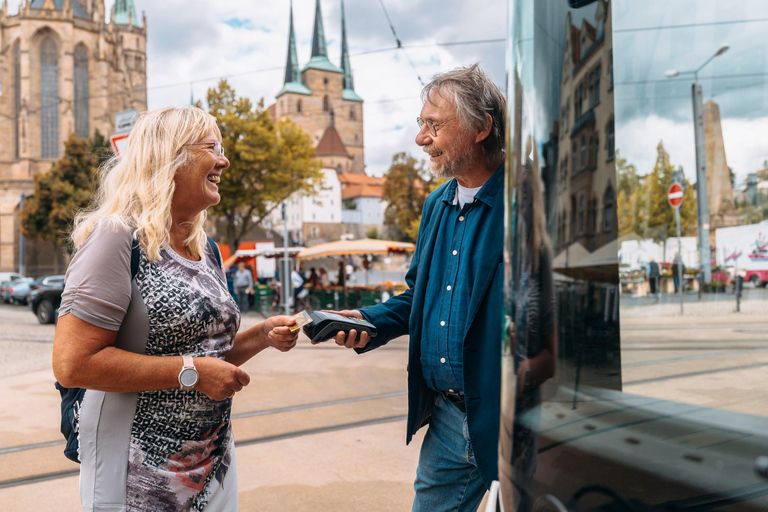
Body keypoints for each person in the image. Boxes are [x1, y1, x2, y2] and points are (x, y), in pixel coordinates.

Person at [52, 107, 299, 512]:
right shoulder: (116, 238)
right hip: (137, 474)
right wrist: (193, 373)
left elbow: (206, 356)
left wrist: (261, 335)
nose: (224, 159)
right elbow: (72, 363)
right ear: (170, 157)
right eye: (212, 147)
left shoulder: (208, 251)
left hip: (211, 464)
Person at [328, 64, 506, 511]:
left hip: (507, 417)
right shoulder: (436, 205)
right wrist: (368, 320)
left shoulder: (522, 200)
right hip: (447, 418)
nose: (421, 138)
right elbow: (418, 299)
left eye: (434, 125)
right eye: (420, 124)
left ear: (482, 127)